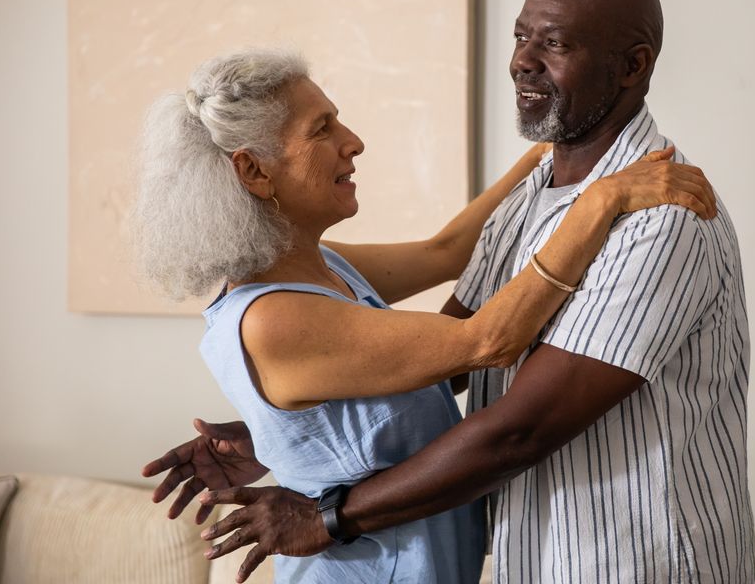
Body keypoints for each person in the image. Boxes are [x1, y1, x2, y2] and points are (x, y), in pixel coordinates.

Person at [136, 47, 717, 584]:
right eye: (322, 129)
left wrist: (555, 148)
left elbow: (446, 251)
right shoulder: (273, 319)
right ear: (254, 172)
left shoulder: (321, 267)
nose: (353, 140)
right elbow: (487, 341)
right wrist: (602, 200)